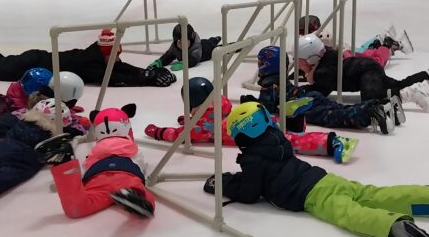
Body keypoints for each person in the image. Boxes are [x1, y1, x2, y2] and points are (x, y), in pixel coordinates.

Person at [203, 102, 429, 237]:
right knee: (376, 194)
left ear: (242, 135)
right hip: (325, 179)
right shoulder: (278, 141)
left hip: (313, 196)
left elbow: (249, 193)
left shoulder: (252, 160)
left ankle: (393, 226)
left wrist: (223, 183)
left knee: (349, 214)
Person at [144, 77, 359, 163]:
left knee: (288, 141)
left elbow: (180, 135)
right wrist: (188, 119)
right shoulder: (222, 104)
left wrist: (157, 131)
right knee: (277, 123)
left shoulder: (201, 128)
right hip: (249, 114)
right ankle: (291, 118)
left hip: (249, 131)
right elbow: (203, 119)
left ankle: (331, 143)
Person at [0, 29, 176, 87]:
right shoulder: (91, 64)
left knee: (0, 62)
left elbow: (118, 68)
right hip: (31, 66)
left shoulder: (95, 52)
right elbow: (110, 78)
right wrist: (145, 79)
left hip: (35, 58)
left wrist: (144, 71)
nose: (119, 56)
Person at [44, 104, 156, 219]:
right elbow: (139, 162)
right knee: (144, 195)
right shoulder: (130, 146)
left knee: (77, 208)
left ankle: (65, 163)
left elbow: (87, 164)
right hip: (126, 173)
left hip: (97, 176)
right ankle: (134, 197)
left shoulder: (96, 149)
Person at [255, 46, 400, 134]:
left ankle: (371, 112)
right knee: (339, 108)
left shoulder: (269, 85)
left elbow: (264, 109)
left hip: (301, 105)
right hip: (307, 95)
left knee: (336, 116)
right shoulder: (281, 79)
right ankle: (381, 105)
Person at [295, 34, 429, 109]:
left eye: (300, 60)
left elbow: (319, 91)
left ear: (312, 58)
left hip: (367, 72)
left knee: (370, 98)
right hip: (369, 67)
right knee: (397, 84)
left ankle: (410, 94)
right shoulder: (327, 57)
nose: (297, 64)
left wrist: (296, 91)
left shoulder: (322, 72)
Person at [147, 23, 222, 71]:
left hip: (206, 49)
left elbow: (194, 59)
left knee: (212, 45)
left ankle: (216, 39)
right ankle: (214, 39)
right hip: (203, 42)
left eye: (185, 41)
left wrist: (183, 64)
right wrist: (159, 62)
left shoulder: (196, 47)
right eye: (179, 41)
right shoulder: (175, 46)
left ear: (191, 40)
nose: (182, 44)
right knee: (208, 41)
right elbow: (168, 55)